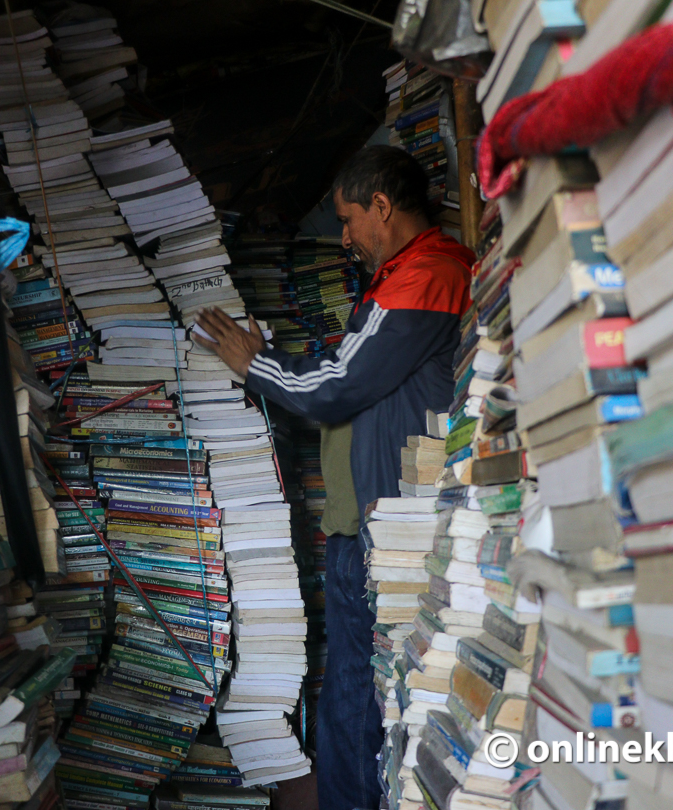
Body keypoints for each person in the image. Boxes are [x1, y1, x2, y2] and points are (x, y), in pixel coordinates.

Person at [195, 145, 475, 810]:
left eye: (349, 219)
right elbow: (353, 366)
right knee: (362, 691)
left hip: (387, 530)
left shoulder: (425, 276)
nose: (343, 236)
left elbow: (338, 387)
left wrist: (253, 364)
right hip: (376, 520)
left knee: (359, 697)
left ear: (383, 207)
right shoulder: (407, 276)